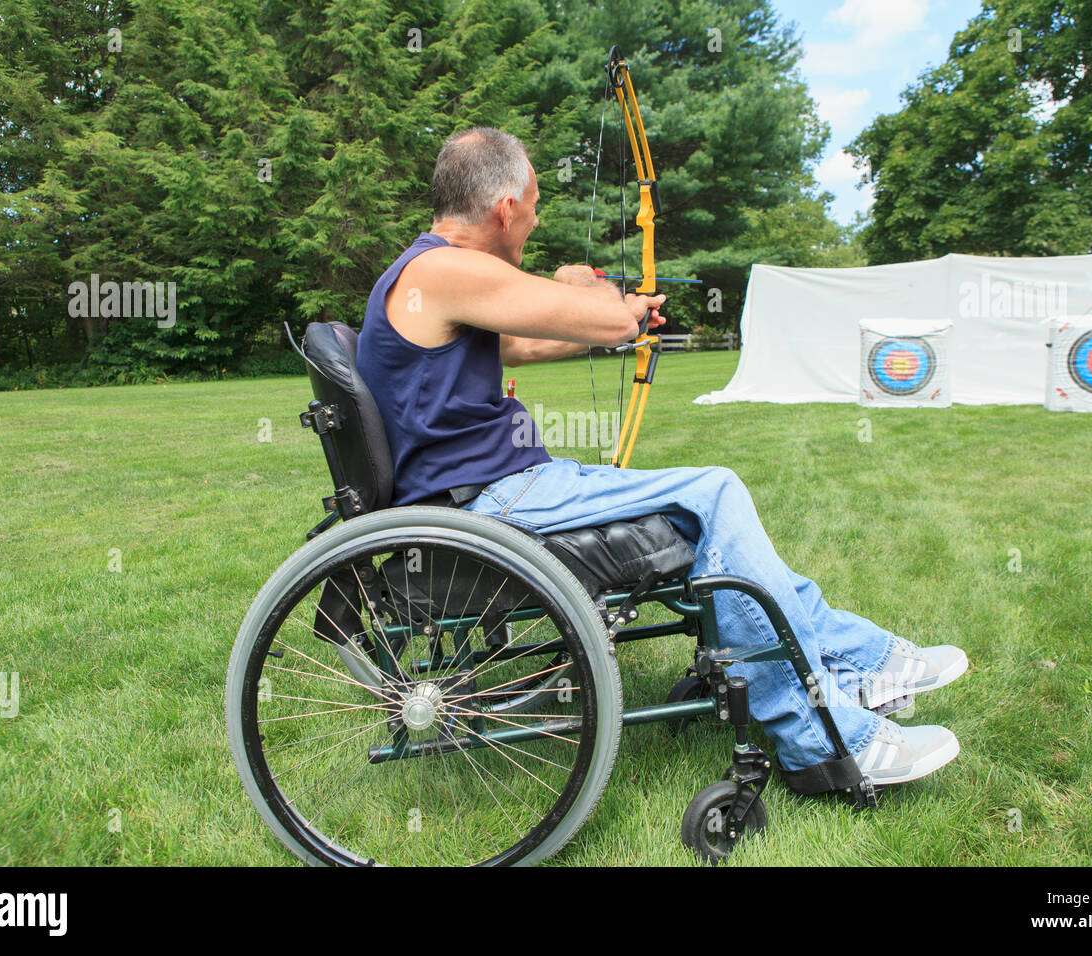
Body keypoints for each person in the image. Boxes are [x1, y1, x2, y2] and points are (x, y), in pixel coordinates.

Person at [356, 127, 967, 785]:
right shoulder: (444, 269)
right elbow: (606, 321)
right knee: (715, 493)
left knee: (711, 503)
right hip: (489, 503)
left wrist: (602, 308)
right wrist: (610, 304)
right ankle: (820, 738)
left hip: (502, 490)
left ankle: (860, 660)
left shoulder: (431, 277)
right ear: (505, 206)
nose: (535, 221)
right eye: (534, 205)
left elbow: (526, 345)